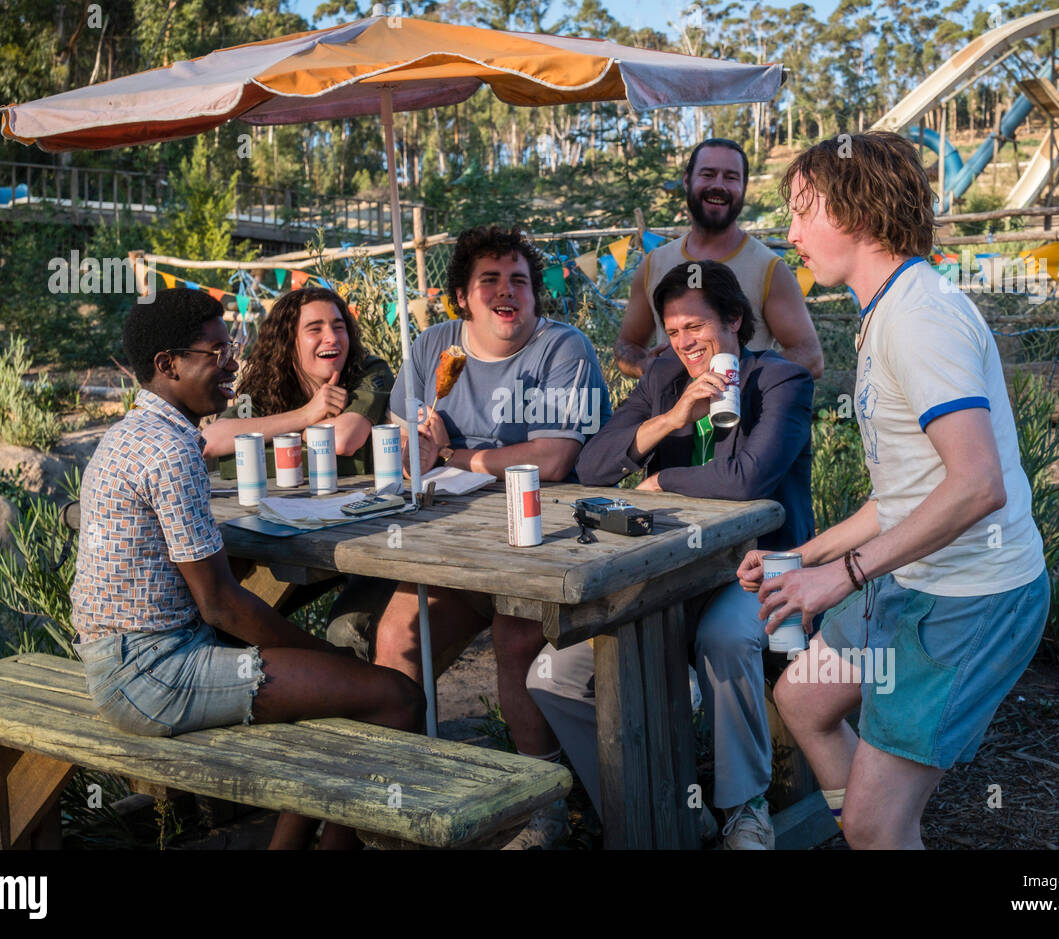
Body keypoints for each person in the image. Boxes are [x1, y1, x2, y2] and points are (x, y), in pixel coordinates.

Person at [741, 131, 1049, 849]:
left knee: (878, 822)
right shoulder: (887, 310)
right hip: (911, 578)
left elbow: (976, 485)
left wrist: (840, 577)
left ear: (854, 211)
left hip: (971, 598)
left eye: (802, 211)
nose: (790, 236)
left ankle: (881, 828)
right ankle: (878, 828)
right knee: (805, 700)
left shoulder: (919, 318)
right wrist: (807, 555)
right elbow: (909, 491)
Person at [70, 287, 424, 850]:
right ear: (168, 365)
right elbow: (221, 604)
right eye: (216, 352)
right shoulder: (170, 450)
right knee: (394, 697)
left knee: (338, 695)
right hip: (152, 674)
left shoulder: (133, 435)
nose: (233, 362)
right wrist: (322, 655)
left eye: (229, 346)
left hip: (131, 657)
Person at [334, 225, 612, 849]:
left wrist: (453, 456)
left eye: (519, 280)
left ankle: (542, 804)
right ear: (463, 295)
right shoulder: (430, 346)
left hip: (539, 545)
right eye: (490, 280)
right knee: (397, 635)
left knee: (517, 641)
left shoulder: (561, 349)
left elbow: (556, 458)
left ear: (536, 295)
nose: (506, 292)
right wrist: (417, 447)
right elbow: (404, 448)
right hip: (448, 548)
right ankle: (404, 794)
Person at [529, 260, 815, 849]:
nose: (684, 342)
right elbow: (592, 466)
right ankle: (647, 803)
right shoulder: (664, 378)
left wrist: (662, 483)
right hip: (672, 574)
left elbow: (746, 480)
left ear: (734, 320)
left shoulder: (780, 383)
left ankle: (745, 807)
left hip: (759, 570)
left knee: (724, 640)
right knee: (552, 673)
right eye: (673, 329)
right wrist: (670, 418)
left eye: (696, 326)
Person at [615, 137, 824, 381]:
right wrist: (645, 368)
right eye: (708, 174)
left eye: (731, 177)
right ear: (687, 180)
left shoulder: (769, 268)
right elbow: (627, 345)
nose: (719, 185)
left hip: (744, 417)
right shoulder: (654, 264)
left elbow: (810, 357)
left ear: (744, 187)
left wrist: (736, 376)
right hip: (673, 417)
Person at [202, 285, 393, 478]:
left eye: (338, 327)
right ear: (288, 342)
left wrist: (293, 433)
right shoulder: (264, 386)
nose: (332, 338)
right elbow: (211, 440)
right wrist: (306, 415)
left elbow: (343, 439)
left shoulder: (371, 370)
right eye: (315, 329)